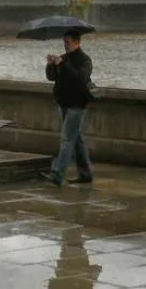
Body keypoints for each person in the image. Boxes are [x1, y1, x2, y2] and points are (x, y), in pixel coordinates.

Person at [39, 30, 94, 187]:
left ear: (77, 42)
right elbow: (52, 77)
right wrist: (50, 65)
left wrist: (62, 64)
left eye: (68, 42)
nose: (65, 45)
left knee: (67, 138)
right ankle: (85, 174)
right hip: (63, 103)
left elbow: (78, 78)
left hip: (77, 104)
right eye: (64, 42)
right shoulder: (63, 59)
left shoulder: (85, 60)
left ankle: (57, 174)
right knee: (77, 139)